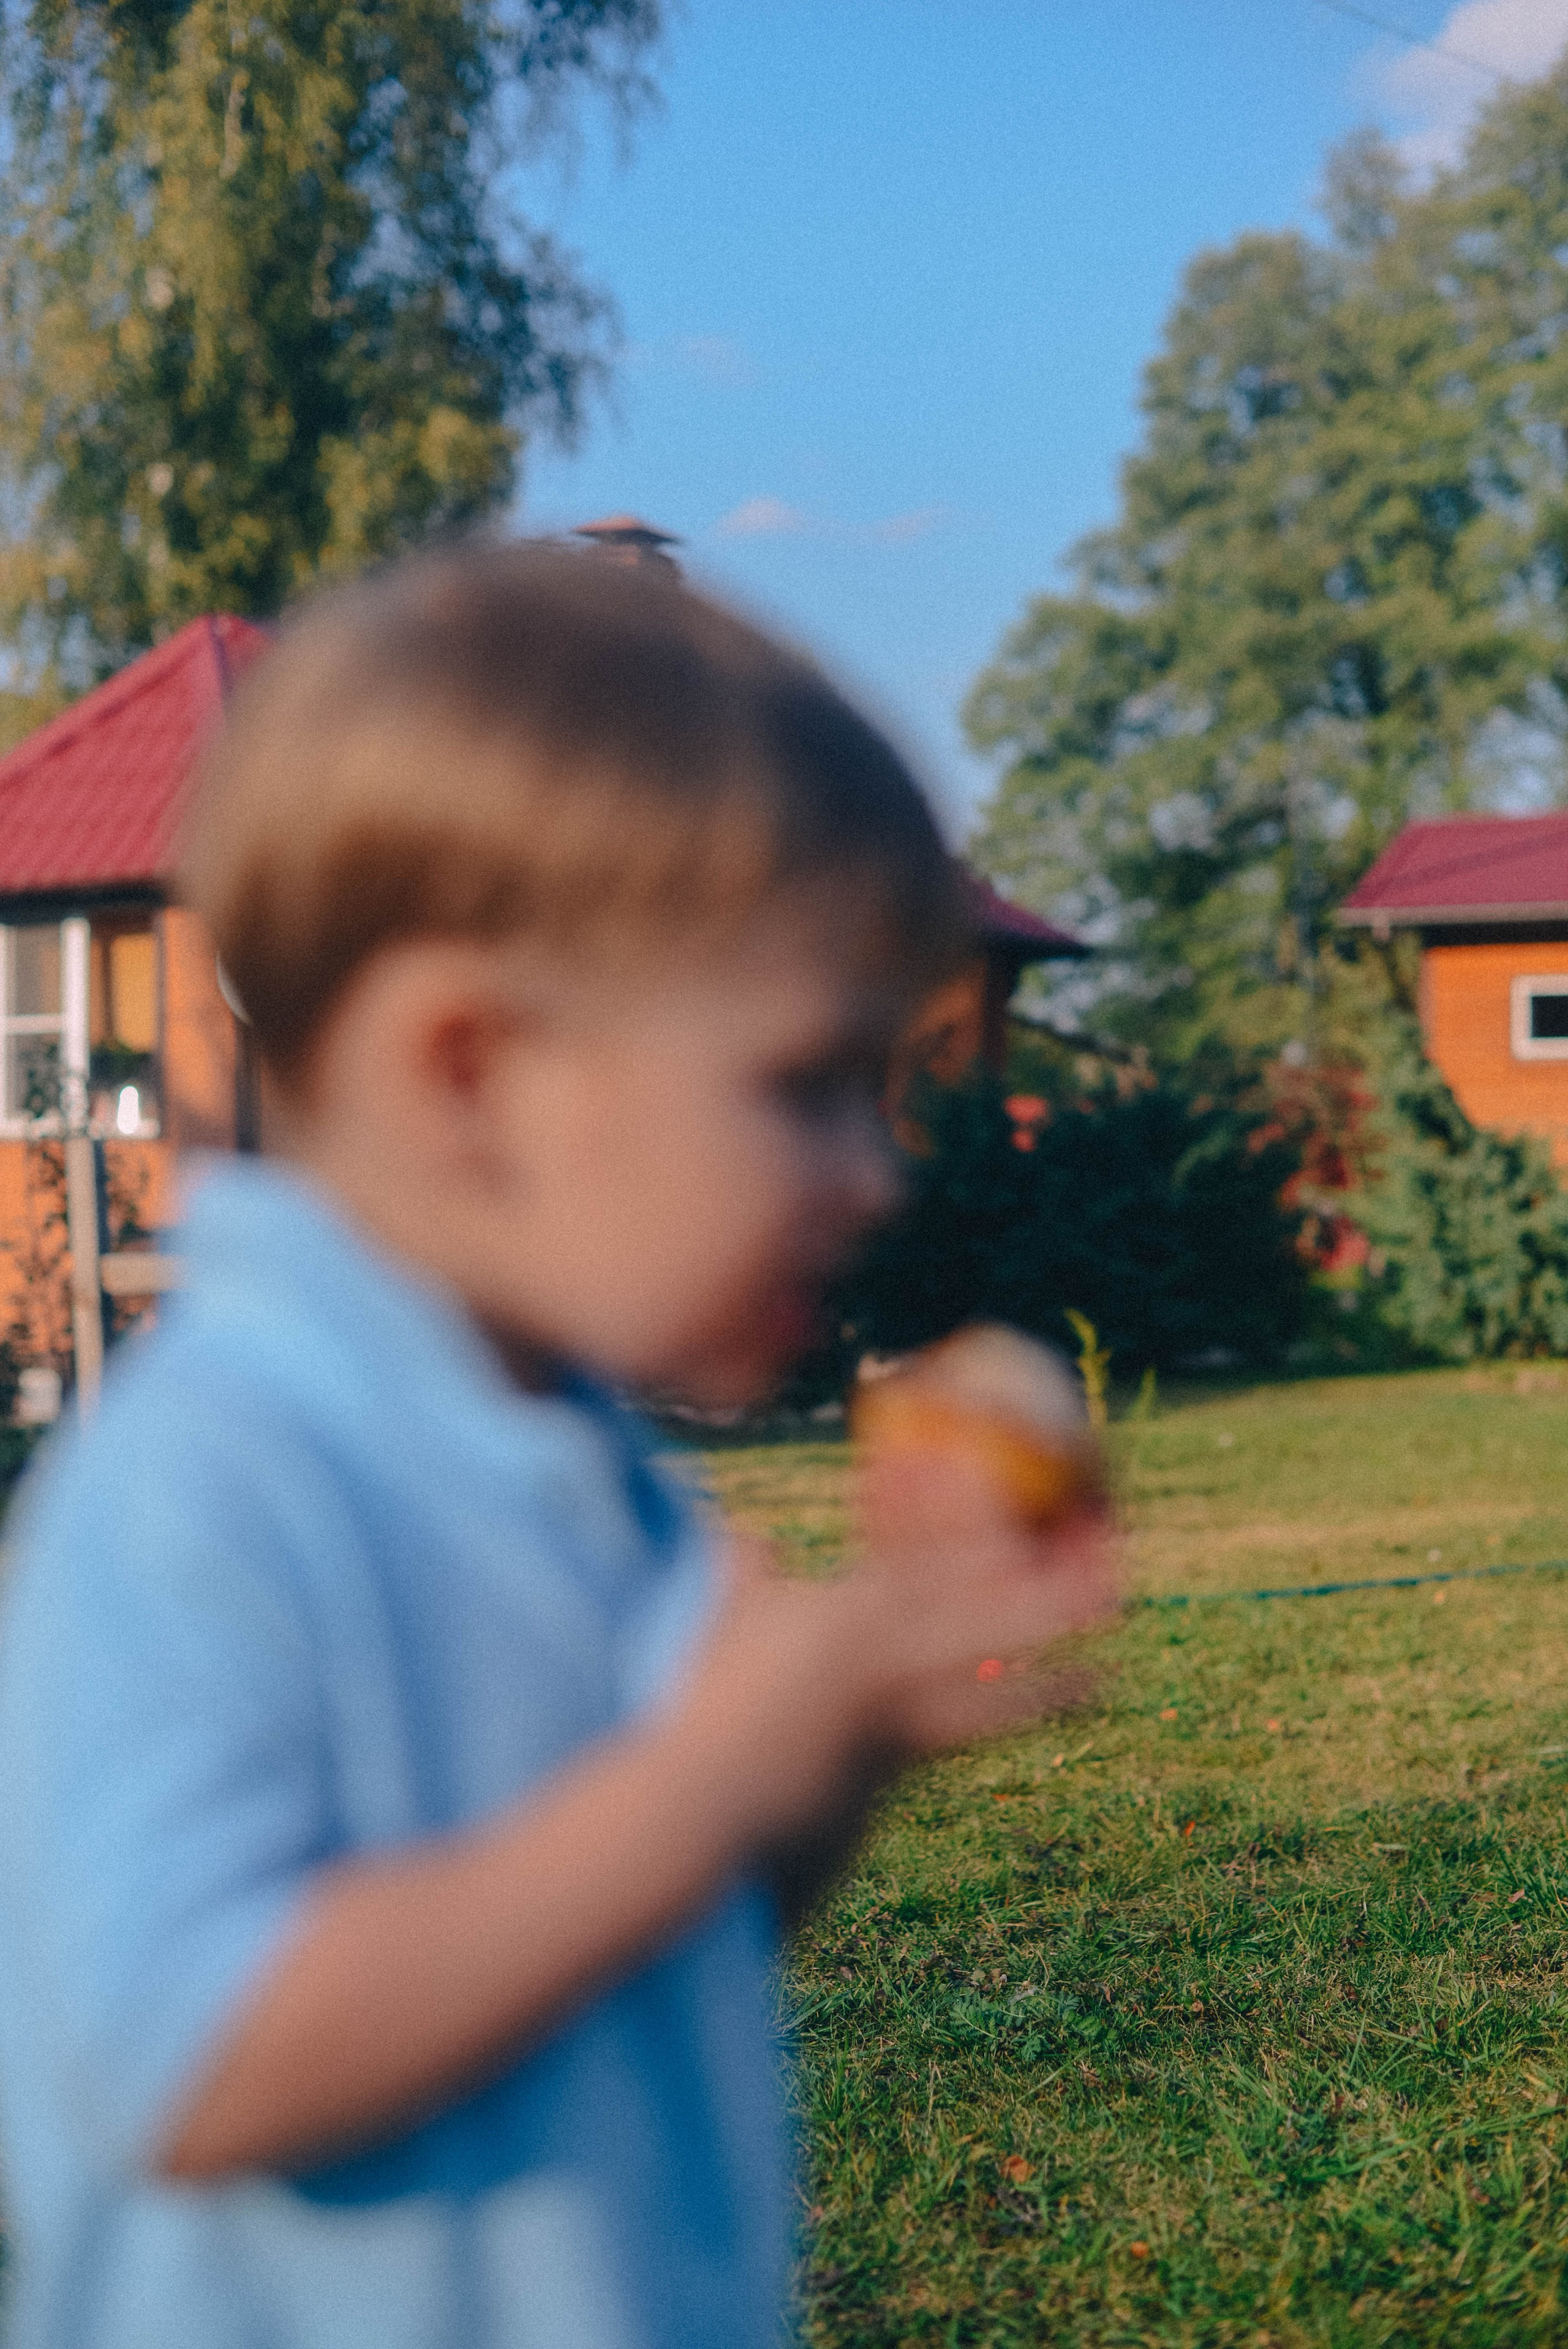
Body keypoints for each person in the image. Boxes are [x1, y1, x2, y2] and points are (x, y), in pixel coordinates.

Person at [0, 545, 1112, 2349]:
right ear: (470, 1073)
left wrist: (833, 1730)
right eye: (803, 1085)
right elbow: (189, 2061)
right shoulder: (203, 1481)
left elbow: (681, 1902)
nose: (874, 1172)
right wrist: (709, 1774)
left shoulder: (572, 1452)